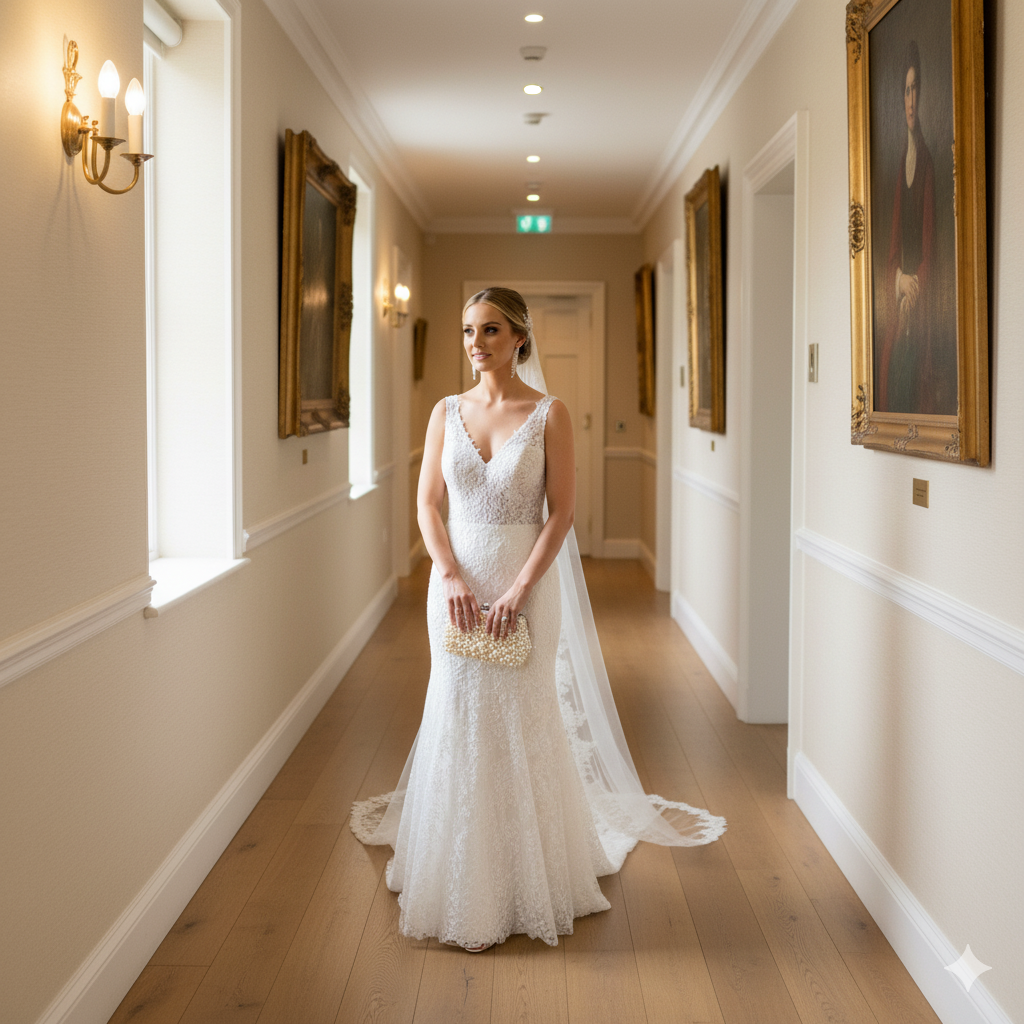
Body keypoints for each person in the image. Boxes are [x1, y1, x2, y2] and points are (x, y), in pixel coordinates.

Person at [351, 287, 725, 952]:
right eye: (468, 331)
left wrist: (521, 587)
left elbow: (561, 514)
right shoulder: (445, 412)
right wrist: (449, 574)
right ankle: (459, 869)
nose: (475, 344)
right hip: (458, 591)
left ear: (520, 337)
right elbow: (428, 505)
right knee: (459, 710)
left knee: (522, 712)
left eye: (490, 330)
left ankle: (533, 871)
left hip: (525, 589)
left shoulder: (549, 414)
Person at [877, 39, 937, 414]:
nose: (911, 99)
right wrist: (898, 278)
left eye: (916, 89)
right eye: (905, 90)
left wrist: (916, 283)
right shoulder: (899, 164)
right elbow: (892, 248)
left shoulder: (927, 162)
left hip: (922, 302)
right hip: (900, 296)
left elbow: (932, 250)